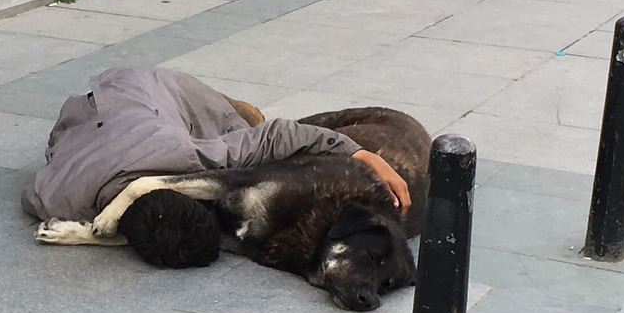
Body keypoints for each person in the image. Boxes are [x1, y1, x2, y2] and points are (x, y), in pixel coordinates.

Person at [20, 67, 410, 226]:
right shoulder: (56, 201)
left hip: (155, 89)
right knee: (237, 141)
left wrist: (360, 153)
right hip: (97, 114)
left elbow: (274, 135)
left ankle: (241, 108)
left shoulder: (187, 156)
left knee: (240, 126)